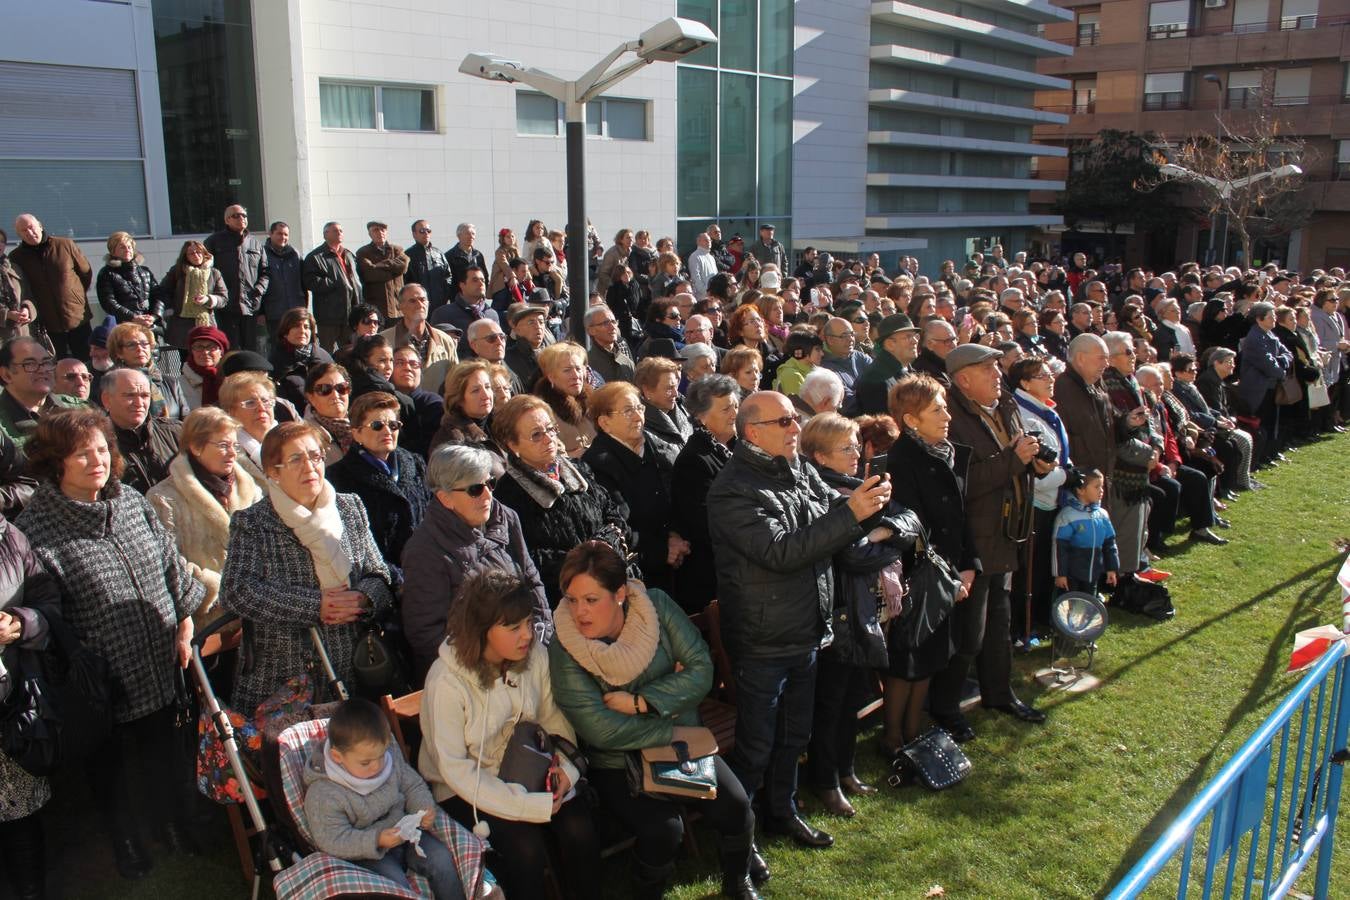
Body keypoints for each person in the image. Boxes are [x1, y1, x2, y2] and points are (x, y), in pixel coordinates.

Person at [18, 409, 204, 877]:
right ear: (54, 462)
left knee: (168, 750)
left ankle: (178, 824)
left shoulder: (131, 501)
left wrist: (184, 619)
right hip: (102, 675)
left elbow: (171, 561)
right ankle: (127, 843)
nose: (97, 460)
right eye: (82, 454)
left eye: (102, 449)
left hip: (164, 655)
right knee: (113, 769)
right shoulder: (37, 529)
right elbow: (47, 613)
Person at [707, 390, 893, 850]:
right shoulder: (732, 489)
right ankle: (739, 841)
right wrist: (853, 514)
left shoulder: (795, 467)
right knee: (756, 747)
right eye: (786, 421)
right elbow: (781, 551)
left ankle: (782, 813)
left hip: (808, 627)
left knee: (794, 736)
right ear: (753, 432)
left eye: (795, 419)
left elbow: (832, 509)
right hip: (764, 639)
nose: (796, 428)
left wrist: (869, 504)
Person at [549, 542, 760, 900]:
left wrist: (641, 701)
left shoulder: (656, 607)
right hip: (618, 762)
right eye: (571, 600)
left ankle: (737, 881)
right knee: (663, 830)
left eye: (590, 599)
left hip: (679, 742)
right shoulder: (565, 645)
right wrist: (672, 715)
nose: (579, 612)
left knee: (736, 804)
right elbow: (598, 728)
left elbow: (701, 670)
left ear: (619, 593)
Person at [419, 568, 600, 900]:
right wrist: (528, 806)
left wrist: (566, 775)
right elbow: (455, 768)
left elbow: (555, 722)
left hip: (532, 766)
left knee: (579, 827)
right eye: (514, 627)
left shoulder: (535, 657)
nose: (527, 635)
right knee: (524, 848)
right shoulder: (446, 681)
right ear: (483, 629)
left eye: (529, 624)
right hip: (469, 788)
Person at [220, 421, 394, 715]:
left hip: (352, 663)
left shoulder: (350, 507)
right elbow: (237, 591)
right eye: (296, 459)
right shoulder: (253, 523)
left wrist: (363, 597)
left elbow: (379, 572)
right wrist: (316, 605)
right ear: (273, 472)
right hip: (285, 676)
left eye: (315, 456)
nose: (310, 467)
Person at [801, 413, 919, 817]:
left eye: (856, 445)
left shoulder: (860, 485)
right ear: (819, 455)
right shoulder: (819, 493)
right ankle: (825, 781)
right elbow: (851, 555)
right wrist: (885, 536)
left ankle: (846, 770)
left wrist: (884, 534)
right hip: (838, 611)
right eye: (846, 448)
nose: (857, 454)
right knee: (831, 702)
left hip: (864, 607)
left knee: (853, 694)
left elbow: (909, 521)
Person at [932, 343, 1046, 744]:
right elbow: (965, 484)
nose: (998, 374)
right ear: (964, 379)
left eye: (997, 367)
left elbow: (1015, 452)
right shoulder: (950, 417)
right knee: (969, 633)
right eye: (988, 369)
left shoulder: (1005, 404)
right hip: (974, 539)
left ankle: (999, 693)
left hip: (1007, 532)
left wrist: (1034, 460)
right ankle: (944, 707)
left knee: (1000, 621)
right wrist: (1014, 460)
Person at [401, 444, 548, 681]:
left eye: (490, 483)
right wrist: (488, 667)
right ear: (445, 498)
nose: (488, 495)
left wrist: (541, 637)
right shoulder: (425, 551)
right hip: (473, 676)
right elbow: (426, 633)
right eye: (475, 489)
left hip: (528, 652)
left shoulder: (506, 518)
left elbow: (532, 581)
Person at [302, 697, 466, 899]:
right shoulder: (324, 794)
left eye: (381, 756)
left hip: (404, 833)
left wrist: (422, 807)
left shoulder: (387, 757)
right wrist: (377, 839)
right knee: (393, 886)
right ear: (338, 758)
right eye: (365, 763)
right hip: (366, 852)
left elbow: (411, 784)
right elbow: (332, 839)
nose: (377, 766)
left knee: (441, 859)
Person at [883, 375, 970, 752]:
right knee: (908, 660)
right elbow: (909, 525)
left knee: (931, 656)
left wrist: (966, 566)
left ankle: (913, 732)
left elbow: (959, 517)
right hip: (918, 576)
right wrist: (941, 575)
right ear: (910, 420)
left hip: (945, 571)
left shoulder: (942, 452)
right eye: (937, 409)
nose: (947, 416)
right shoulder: (903, 461)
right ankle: (891, 738)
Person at [490, 395, 635, 608]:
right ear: (513, 445)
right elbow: (524, 557)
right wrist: (585, 562)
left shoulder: (579, 470)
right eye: (536, 435)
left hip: (614, 587)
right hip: (565, 604)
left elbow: (613, 516)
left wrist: (604, 547)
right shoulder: (508, 494)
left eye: (550, 429)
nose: (549, 439)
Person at [146, 406, 261, 626]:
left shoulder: (251, 489)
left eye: (235, 445)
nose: (232, 453)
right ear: (196, 447)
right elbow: (168, 562)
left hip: (252, 615)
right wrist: (213, 587)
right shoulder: (163, 498)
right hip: (205, 620)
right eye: (223, 445)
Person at [0, 508, 59, 900]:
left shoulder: (8, 536)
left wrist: (22, 623)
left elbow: (48, 602)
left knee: (19, 814)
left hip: (11, 701)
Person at [583, 382, 686, 595]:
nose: (639, 417)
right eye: (628, 411)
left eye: (640, 408)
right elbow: (618, 525)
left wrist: (675, 535)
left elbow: (674, 492)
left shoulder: (649, 443)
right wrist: (662, 549)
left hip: (675, 556)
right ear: (605, 422)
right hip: (639, 573)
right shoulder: (598, 463)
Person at [326, 391, 431, 577]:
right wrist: (396, 578)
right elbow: (352, 544)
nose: (387, 432)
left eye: (393, 425)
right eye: (377, 426)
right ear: (356, 433)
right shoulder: (338, 477)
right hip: (381, 578)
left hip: (426, 569)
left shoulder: (415, 463)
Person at [1010, 356, 1071, 639]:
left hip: (1050, 499)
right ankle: (1024, 627)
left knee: (1044, 567)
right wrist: (1068, 476)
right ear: (1024, 383)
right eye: (1043, 376)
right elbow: (1040, 472)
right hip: (1035, 502)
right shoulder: (1023, 414)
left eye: (1050, 374)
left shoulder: (1045, 411)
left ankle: (1038, 620)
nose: (1050, 380)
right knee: (1029, 571)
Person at [8, 214, 93, 361]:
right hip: (47, 322)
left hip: (77, 318)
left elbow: (85, 273)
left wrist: (74, 296)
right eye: (23, 231)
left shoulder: (65, 245)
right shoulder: (16, 257)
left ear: (40, 226)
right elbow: (22, 289)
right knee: (56, 366)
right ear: (18, 235)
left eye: (31, 227)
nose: (29, 232)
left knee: (86, 362)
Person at [102, 368, 183, 495]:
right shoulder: (97, 442)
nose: (139, 403)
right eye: (129, 395)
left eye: (145, 396)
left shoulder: (176, 432)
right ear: (107, 400)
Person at [203, 204, 269, 354]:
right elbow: (206, 271)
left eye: (244, 215)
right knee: (230, 351)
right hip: (226, 308)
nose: (241, 218)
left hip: (250, 306)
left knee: (252, 351)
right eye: (236, 216)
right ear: (227, 220)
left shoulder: (255, 243)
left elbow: (265, 272)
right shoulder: (214, 242)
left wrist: (258, 290)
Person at [0, 337, 87, 448]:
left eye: (46, 362)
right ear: (6, 375)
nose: (42, 370)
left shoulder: (82, 409)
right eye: (30, 364)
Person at [382, 283, 459, 398]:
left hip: (437, 409)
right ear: (401, 306)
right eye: (412, 301)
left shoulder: (445, 341)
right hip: (399, 407)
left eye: (423, 300)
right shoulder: (384, 340)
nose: (419, 305)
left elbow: (456, 381)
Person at [1053, 468, 1119, 596]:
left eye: (1102, 486)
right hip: (1071, 576)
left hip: (1093, 575)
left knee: (1088, 605)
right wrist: (1060, 574)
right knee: (1069, 605)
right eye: (1096, 487)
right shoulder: (1067, 516)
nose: (1101, 490)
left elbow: (1110, 544)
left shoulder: (1102, 515)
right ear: (1080, 490)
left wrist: (1111, 568)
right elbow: (1059, 548)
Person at [107, 322, 186, 420]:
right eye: (131, 345)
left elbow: (186, 420)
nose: (140, 349)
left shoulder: (170, 383)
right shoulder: (112, 383)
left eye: (144, 344)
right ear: (119, 352)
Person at [159, 240, 228, 350]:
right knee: (186, 360)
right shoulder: (177, 271)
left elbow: (223, 298)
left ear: (204, 253)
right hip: (181, 325)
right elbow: (163, 291)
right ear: (185, 256)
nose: (196, 255)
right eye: (191, 253)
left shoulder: (214, 273)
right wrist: (170, 310)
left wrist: (208, 299)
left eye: (199, 252)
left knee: (207, 356)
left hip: (206, 323)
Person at [303, 222, 362, 350]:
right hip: (328, 317)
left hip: (350, 316)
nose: (339, 233)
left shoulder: (349, 255)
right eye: (335, 231)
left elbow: (356, 281)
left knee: (350, 352)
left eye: (341, 230)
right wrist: (335, 283)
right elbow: (309, 282)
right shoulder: (315, 257)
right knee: (326, 352)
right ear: (325, 234)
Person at [534, 342, 595, 458]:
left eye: (578, 368)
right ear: (551, 377)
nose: (576, 375)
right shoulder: (541, 412)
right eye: (567, 370)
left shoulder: (595, 403)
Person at [96, 232, 163, 338]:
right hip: (125, 328)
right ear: (113, 251)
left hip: (149, 327)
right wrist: (134, 317)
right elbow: (109, 302)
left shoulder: (145, 272)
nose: (127, 250)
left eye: (129, 247)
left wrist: (154, 317)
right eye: (122, 247)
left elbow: (159, 296)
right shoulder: (107, 273)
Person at [431, 359, 500, 458]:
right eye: (476, 390)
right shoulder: (451, 440)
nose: (486, 395)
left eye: (488, 387)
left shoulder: (501, 425)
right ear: (458, 399)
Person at [854, 314, 921, 415]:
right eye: (908, 337)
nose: (915, 341)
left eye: (915, 336)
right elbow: (883, 427)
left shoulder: (906, 370)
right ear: (890, 344)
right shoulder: (876, 381)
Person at [269, 308, 334, 411]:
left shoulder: (323, 357)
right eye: (296, 326)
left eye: (306, 327)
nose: (302, 331)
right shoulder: (276, 361)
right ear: (285, 332)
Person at [220, 371, 278, 484]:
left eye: (265, 401)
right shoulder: (227, 454)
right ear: (231, 411)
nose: (261, 408)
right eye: (250, 403)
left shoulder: (292, 439)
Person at [635, 356, 693, 464]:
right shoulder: (639, 429)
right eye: (669, 388)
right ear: (647, 390)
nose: (676, 394)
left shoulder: (684, 410)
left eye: (676, 386)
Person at [260, 221, 305, 342]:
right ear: (270, 234)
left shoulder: (295, 254)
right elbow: (259, 284)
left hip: (295, 310)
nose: (283, 237)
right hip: (274, 312)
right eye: (279, 234)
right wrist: (261, 312)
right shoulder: (261, 254)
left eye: (286, 234)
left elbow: (303, 283)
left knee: (298, 343)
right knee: (277, 344)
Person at [303, 362, 355, 465]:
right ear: (311, 397)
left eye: (341, 388)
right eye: (325, 389)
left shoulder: (364, 425)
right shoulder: (305, 436)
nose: (335, 395)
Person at [179, 325, 229, 411]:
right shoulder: (177, 385)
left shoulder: (232, 381)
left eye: (211, 347)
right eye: (199, 347)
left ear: (221, 352)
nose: (205, 352)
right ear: (192, 352)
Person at [406, 220, 453, 311]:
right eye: (422, 231)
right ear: (414, 234)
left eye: (428, 230)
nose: (426, 233)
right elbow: (406, 281)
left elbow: (448, 276)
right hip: (419, 305)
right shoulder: (408, 256)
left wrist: (446, 295)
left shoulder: (439, 253)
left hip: (440, 304)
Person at [585, 305, 636, 384]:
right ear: (591, 330)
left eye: (614, 322)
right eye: (605, 323)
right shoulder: (587, 364)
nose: (612, 327)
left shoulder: (627, 362)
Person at [503, 303, 547, 392]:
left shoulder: (553, 354)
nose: (538, 326)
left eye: (541, 322)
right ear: (517, 330)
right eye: (531, 322)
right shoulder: (508, 359)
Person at [445, 223, 488, 289]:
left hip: (477, 295)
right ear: (459, 236)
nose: (471, 236)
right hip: (458, 297)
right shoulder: (449, 256)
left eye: (473, 234)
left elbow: (485, 276)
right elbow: (447, 279)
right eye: (467, 233)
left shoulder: (478, 255)